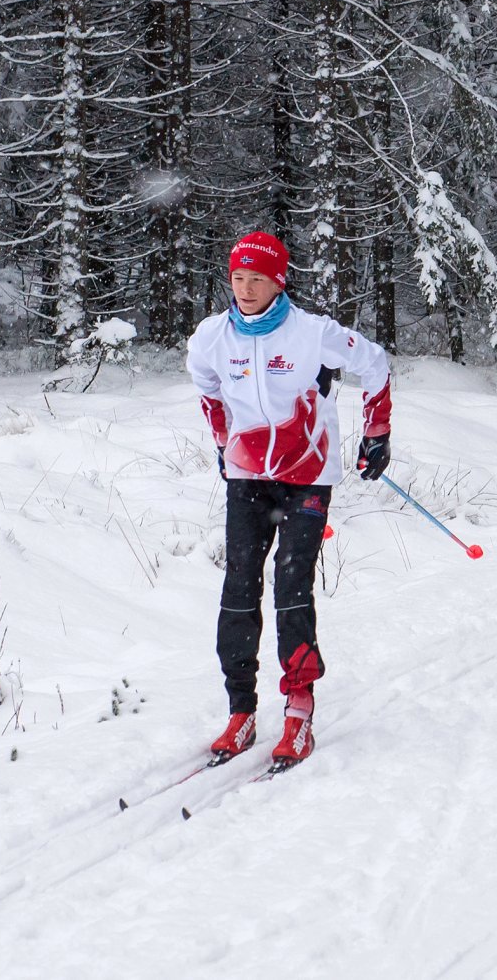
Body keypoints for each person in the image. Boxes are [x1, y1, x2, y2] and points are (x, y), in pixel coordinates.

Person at [185, 231, 394, 768]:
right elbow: (206, 387)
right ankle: (241, 710)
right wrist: (221, 440)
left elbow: (375, 364)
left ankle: (298, 710)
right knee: (239, 585)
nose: (246, 288)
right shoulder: (212, 337)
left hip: (307, 476)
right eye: (237, 278)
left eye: (257, 278)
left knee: (291, 583)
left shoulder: (313, 334)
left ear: (279, 281)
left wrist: (377, 433)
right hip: (248, 477)